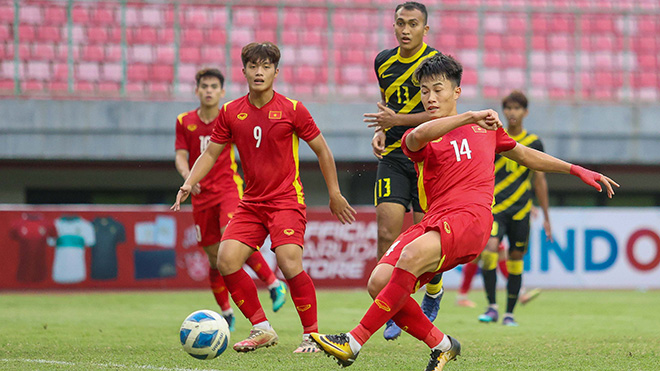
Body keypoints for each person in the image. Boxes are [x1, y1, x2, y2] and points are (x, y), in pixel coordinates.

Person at [310, 53, 618, 370]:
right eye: (424, 91)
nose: (430, 98)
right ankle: (443, 345)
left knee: (410, 257)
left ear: (456, 91)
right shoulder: (423, 136)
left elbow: (525, 156)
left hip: (470, 220)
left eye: (438, 89)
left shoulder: (486, 131)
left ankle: (354, 341)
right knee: (377, 283)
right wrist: (469, 116)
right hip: (434, 221)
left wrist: (576, 170)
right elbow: (417, 136)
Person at [172, 42, 356, 354]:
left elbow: (323, 150)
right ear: (243, 71)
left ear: (276, 71)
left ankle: (311, 335)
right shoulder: (231, 111)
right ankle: (261, 328)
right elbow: (211, 152)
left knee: (287, 261)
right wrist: (189, 182)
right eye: (253, 66)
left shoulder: (293, 109)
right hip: (251, 203)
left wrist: (335, 193)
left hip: (286, 200)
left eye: (266, 66)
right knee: (226, 260)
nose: (259, 72)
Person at [174, 68, 288, 331]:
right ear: (197, 90)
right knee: (214, 259)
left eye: (214, 86)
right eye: (205, 86)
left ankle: (273, 284)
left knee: (232, 237)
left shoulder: (231, 115)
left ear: (222, 92)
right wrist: (188, 178)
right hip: (200, 196)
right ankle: (226, 313)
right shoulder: (184, 121)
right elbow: (181, 155)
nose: (209, 91)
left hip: (229, 188)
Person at [364, 1, 444, 340]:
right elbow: (388, 105)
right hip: (395, 157)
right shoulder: (383, 61)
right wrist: (383, 130)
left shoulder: (436, 63)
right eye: (400, 23)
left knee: (427, 239)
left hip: (427, 157)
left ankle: (434, 292)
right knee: (386, 234)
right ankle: (394, 305)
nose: (405, 29)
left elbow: (440, 114)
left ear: (425, 29)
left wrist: (397, 121)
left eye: (413, 24)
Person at [477, 90, 551, 326]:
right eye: (508, 108)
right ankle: (491, 307)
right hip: (495, 207)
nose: (512, 113)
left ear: (525, 112)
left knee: (516, 258)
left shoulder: (534, 143)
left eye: (517, 108)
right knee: (489, 249)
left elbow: (539, 180)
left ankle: (509, 313)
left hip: (521, 210)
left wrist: (546, 216)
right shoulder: (495, 136)